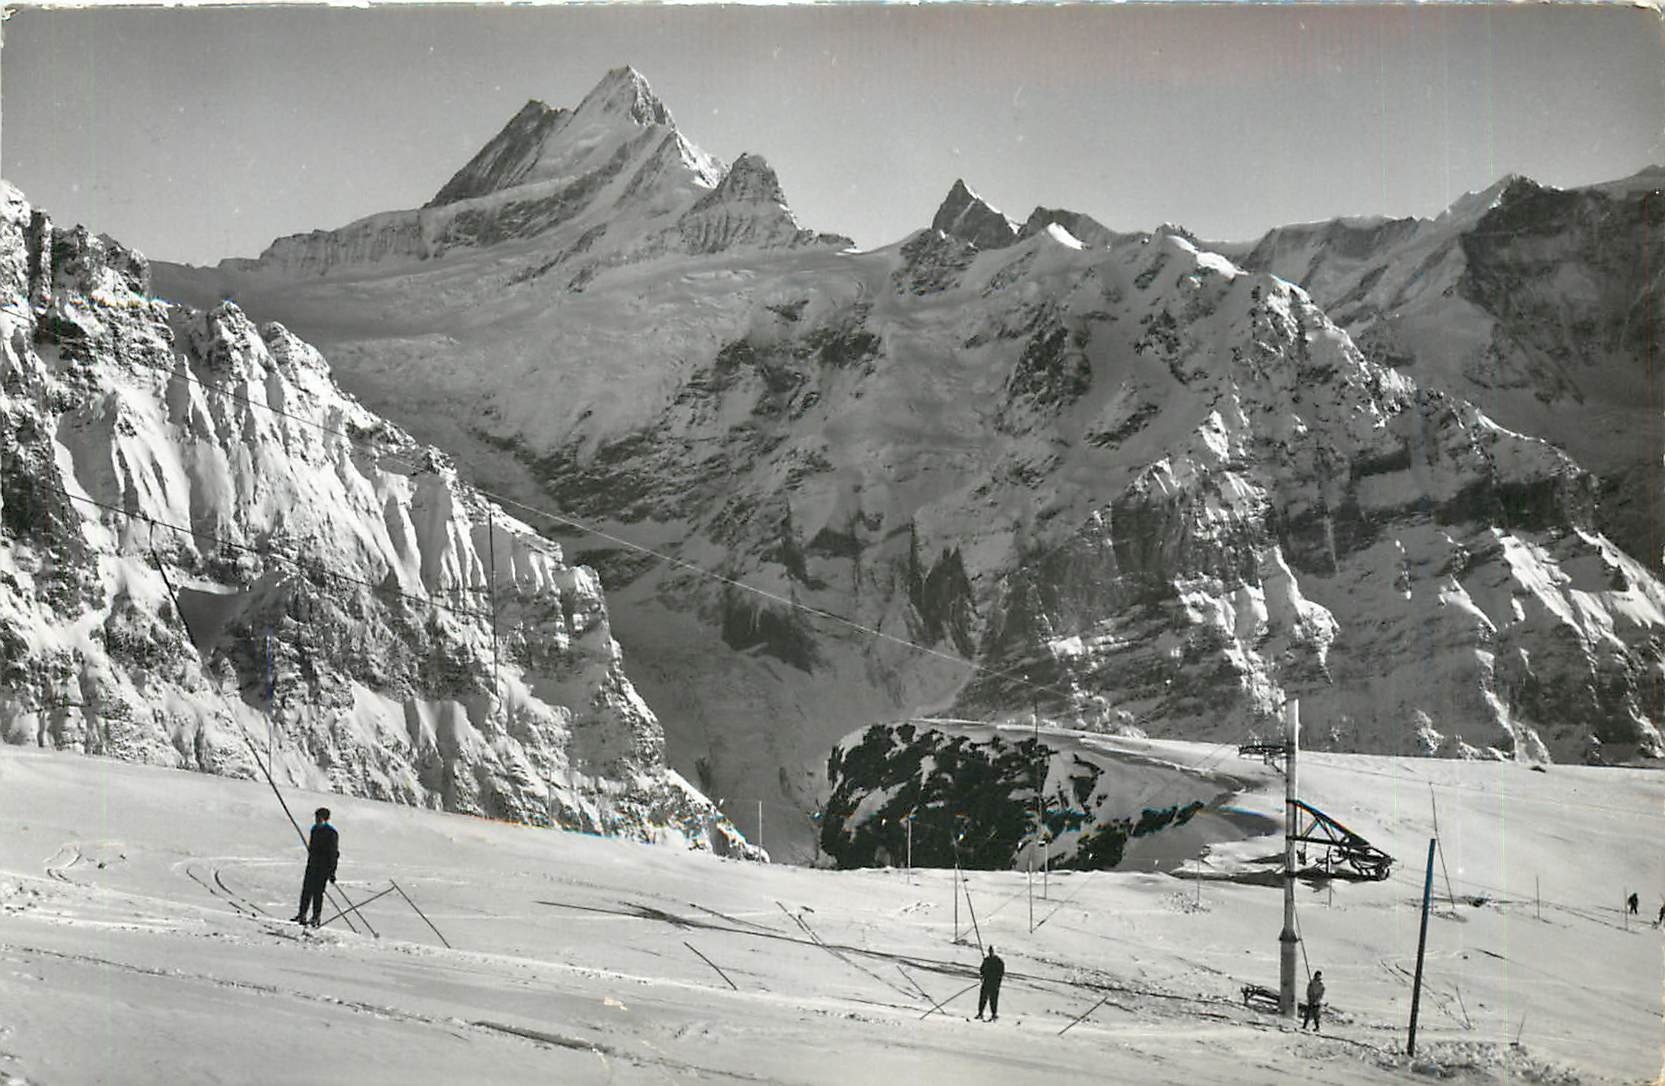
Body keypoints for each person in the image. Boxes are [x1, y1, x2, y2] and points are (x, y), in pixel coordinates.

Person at [291, 807, 339, 927]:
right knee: (306, 890)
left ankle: (316, 917)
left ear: (325, 819)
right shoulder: (314, 830)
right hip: (312, 865)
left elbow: (333, 854)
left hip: (323, 868)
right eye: (316, 818)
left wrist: (332, 872)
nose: (317, 820)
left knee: (318, 893)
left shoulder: (332, 833)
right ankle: (302, 914)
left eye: (319, 818)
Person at [976, 945, 1005, 1022]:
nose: (990, 952)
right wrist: (982, 975)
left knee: (993, 1000)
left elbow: (1001, 973)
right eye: (990, 951)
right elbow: (982, 970)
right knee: (983, 998)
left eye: (992, 951)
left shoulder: (999, 961)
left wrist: (997, 982)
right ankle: (980, 1013)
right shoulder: (986, 960)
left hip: (994, 984)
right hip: (986, 982)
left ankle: (994, 1014)